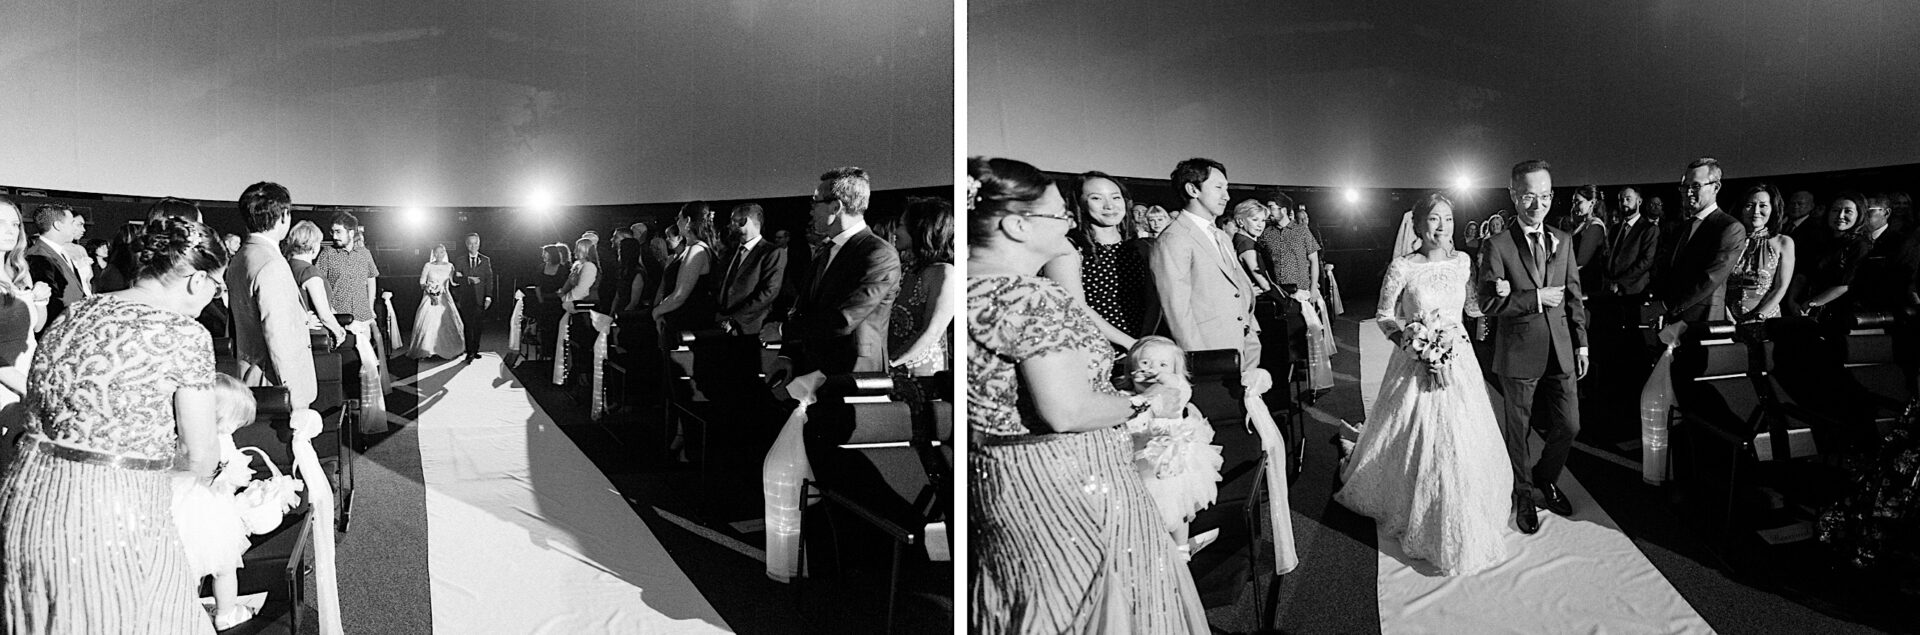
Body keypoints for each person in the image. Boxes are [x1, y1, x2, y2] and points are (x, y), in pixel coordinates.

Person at [966, 157, 1206, 633]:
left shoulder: (971, 291)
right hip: (1068, 481)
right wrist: (1146, 402)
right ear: (1016, 225)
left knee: (1033, 597)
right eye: (1060, 214)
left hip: (999, 476)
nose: (1071, 222)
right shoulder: (1032, 298)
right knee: (1098, 602)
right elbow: (1068, 411)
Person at [1, 217, 229, 634]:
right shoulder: (184, 333)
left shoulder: (75, 313)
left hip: (27, 498)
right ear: (198, 281)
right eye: (217, 285)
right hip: (111, 516)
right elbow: (199, 455)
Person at [1340, 191, 1513, 573]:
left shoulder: (1464, 261)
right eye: (1434, 219)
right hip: (1415, 360)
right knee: (1415, 433)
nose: (1442, 227)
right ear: (1418, 225)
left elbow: (1470, 308)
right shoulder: (1403, 266)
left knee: (1462, 436)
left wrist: (1497, 295)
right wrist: (1412, 343)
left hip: (1459, 358)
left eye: (1448, 219)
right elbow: (1384, 314)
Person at [1478, 159, 1587, 535]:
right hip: (1519, 351)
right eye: (1528, 196)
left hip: (1561, 349)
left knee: (1570, 424)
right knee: (1519, 429)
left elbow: (1573, 296)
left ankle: (1545, 476)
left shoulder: (1565, 239)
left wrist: (1582, 344)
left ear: (1551, 196)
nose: (1537, 204)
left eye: (1543, 196)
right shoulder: (1496, 245)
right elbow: (1488, 304)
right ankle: (1522, 493)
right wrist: (1535, 297)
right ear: (1513, 195)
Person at [767, 167, 903, 386]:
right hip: (812, 369)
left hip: (854, 373)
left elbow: (844, 319)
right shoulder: (826, 251)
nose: (810, 210)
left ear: (836, 206)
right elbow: (802, 309)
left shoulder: (878, 254)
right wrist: (787, 354)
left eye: (815, 201)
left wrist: (782, 331)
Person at [1150, 157, 1260, 375]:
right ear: (1193, 189)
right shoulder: (1174, 238)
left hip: (1243, 345)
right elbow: (1177, 310)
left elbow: (1237, 285)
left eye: (1226, 188)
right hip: (1211, 352)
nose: (1226, 196)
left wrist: (1251, 332)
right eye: (1218, 187)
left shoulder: (1221, 235)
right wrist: (1200, 361)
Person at [171, 374, 261, 630]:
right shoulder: (219, 441)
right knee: (224, 567)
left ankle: (183, 613)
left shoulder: (182, 435)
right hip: (211, 513)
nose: (238, 427)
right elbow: (230, 475)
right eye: (237, 421)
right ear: (220, 416)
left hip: (179, 510)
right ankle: (225, 612)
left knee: (188, 568)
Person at [1123, 335, 1223, 557]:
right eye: (1145, 364)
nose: (1153, 370)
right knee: (1148, 512)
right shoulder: (1125, 400)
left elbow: (1177, 386)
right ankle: (1154, 549)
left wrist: (1165, 379)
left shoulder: (1177, 391)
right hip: (1137, 468)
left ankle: (1181, 550)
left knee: (1178, 507)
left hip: (1173, 467)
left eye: (1163, 364)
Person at [1040, 171, 1158, 350]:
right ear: (1080, 203)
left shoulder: (1141, 248)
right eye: (1097, 198)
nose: (1109, 206)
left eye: (1116, 197)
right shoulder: (1067, 249)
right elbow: (1075, 307)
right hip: (1094, 348)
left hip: (1143, 348)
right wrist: (1130, 344)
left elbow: (1153, 301)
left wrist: (1144, 341)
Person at [227, 181, 317, 410]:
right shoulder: (271, 264)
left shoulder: (241, 257)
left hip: (249, 375)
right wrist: (295, 398)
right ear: (284, 216)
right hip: (275, 383)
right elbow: (278, 334)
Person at [1653, 158, 1747, 343]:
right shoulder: (1683, 227)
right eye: (1684, 186)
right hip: (1672, 321)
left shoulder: (1729, 227)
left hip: (1704, 322)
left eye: (1695, 186)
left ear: (1716, 187)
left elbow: (1710, 278)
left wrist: (1667, 305)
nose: (1688, 192)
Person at [314, 211, 388, 434]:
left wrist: (371, 303)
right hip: (341, 324)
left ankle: (364, 414)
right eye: (333, 231)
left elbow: (371, 277)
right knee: (346, 370)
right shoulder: (327, 254)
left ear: (351, 232)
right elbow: (318, 285)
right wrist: (332, 315)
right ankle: (345, 421)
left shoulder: (364, 253)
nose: (333, 235)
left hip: (363, 319)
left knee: (365, 369)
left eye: (338, 231)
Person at [0, 197, 47, 471]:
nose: (11, 230)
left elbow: (35, 329)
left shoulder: (18, 271)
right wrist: (32, 390)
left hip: (24, 377)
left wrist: (39, 301)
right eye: (1, 223)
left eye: (15, 224)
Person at [888, 198, 955, 376]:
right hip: (891, 371)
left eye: (901, 225)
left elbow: (932, 331)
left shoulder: (944, 273)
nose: (895, 231)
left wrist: (892, 364)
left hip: (920, 375)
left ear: (921, 229)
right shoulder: (905, 269)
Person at [1789, 192, 1870, 317]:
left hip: (1837, 312)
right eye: (1835, 210)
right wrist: (1792, 300)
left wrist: (1812, 303)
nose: (1840, 216)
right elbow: (1802, 274)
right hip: (1803, 308)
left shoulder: (1861, 245)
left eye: (1848, 211)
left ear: (1859, 215)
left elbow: (1845, 284)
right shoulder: (1816, 239)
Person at [1726, 184, 1797, 322]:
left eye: (1763, 205)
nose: (1756, 211)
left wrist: (1758, 317)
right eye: (1749, 205)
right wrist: (1727, 316)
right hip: (1729, 320)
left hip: (1765, 320)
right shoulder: (1728, 241)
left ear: (1773, 209)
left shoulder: (1783, 242)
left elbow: (1781, 287)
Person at [715, 203, 786, 338]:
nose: (730, 225)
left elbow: (769, 292)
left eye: (733, 220)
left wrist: (735, 319)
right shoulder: (731, 251)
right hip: (722, 326)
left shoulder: (772, 252)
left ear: (744, 222)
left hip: (749, 328)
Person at [652, 201, 721, 337]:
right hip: (678, 320)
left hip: (687, 324)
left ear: (688, 221)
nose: (677, 223)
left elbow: (679, 295)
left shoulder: (697, 250)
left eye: (679, 218)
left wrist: (656, 312)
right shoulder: (691, 249)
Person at [24, 203, 90, 332]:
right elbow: (49, 303)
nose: (75, 229)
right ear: (58, 225)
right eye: (72, 223)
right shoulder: (38, 255)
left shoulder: (60, 251)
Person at [284, 221, 347, 347]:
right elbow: (324, 315)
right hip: (316, 339)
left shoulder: (286, 266)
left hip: (293, 336)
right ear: (314, 245)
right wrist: (339, 333)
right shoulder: (309, 272)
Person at [551, 237, 599, 385]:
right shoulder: (577, 265)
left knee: (581, 342)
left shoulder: (589, 266)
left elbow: (581, 290)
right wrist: (562, 295)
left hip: (584, 309)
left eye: (578, 248)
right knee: (573, 342)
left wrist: (566, 299)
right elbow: (567, 286)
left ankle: (582, 375)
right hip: (573, 307)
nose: (574, 251)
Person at [406, 245, 468, 359]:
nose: (440, 254)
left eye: (442, 252)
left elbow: (453, 282)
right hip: (430, 298)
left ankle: (447, 348)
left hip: (445, 297)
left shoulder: (450, 266)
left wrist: (465, 278)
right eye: (437, 252)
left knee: (446, 323)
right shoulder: (428, 265)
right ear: (433, 253)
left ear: (445, 253)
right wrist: (430, 292)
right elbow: (422, 282)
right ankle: (427, 349)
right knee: (428, 323)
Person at [1604, 186, 1661, 299]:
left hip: (1634, 291)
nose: (1624, 203)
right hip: (1611, 290)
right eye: (1621, 200)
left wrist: (1620, 282)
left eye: (1628, 199)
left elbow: (1646, 261)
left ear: (1639, 201)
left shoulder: (1649, 229)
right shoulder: (1615, 229)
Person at [449, 233, 495, 361]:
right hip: (466, 298)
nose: (473, 246)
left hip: (481, 298)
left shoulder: (485, 260)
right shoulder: (460, 260)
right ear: (466, 244)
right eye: (470, 243)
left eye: (475, 243)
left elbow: (489, 279)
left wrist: (488, 297)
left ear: (479, 244)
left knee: (478, 325)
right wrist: (468, 279)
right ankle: (469, 352)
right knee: (468, 325)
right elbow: (456, 278)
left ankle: (475, 349)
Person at [1561, 185, 1610, 298]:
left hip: (1587, 284)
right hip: (1578, 280)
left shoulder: (1595, 226)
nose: (1575, 206)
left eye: (1578, 202)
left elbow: (1581, 261)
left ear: (1592, 203)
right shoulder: (1584, 223)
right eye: (1573, 202)